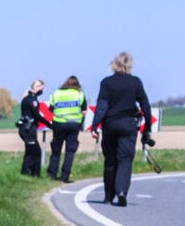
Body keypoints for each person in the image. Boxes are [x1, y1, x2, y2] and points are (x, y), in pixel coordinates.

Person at [88, 52, 152, 207]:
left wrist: (95, 125)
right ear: (130, 64)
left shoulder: (107, 83)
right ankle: (121, 191)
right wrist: (147, 128)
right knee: (125, 159)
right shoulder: (135, 82)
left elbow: (102, 105)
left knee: (110, 161)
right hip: (128, 125)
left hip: (110, 124)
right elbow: (145, 105)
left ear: (114, 64)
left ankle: (108, 196)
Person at [47, 75, 88, 182]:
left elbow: (51, 108)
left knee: (56, 150)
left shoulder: (56, 93)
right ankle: (64, 176)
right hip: (74, 125)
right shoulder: (79, 94)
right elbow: (84, 111)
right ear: (77, 84)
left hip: (58, 124)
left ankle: (51, 174)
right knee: (70, 151)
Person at [17, 79, 52, 176]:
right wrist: (49, 124)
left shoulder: (27, 98)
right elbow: (36, 115)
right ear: (37, 87)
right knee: (36, 153)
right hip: (28, 130)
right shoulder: (32, 100)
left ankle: (28, 173)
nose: (42, 91)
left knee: (31, 152)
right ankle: (33, 174)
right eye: (42, 88)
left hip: (26, 129)